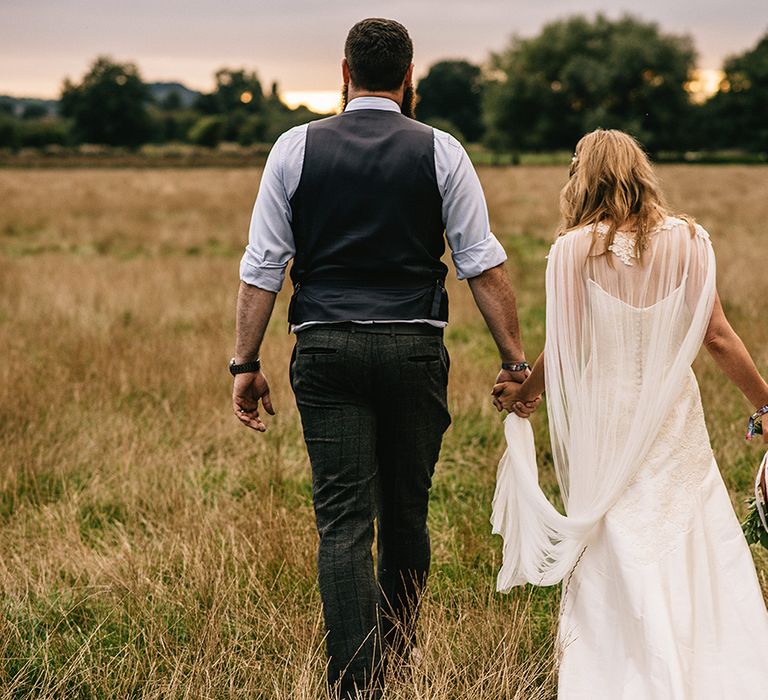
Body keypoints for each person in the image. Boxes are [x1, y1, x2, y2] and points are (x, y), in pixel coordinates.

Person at [230, 18, 533, 699]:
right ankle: (398, 661)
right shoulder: (442, 151)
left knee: (342, 523)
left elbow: (263, 267)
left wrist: (243, 362)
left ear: (344, 73)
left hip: (327, 350)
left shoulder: (293, 148)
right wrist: (515, 361)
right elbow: (481, 264)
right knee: (406, 514)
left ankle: (354, 685)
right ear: (409, 77)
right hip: (413, 349)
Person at [492, 129, 768, 699]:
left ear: (584, 177)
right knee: (687, 521)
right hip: (673, 410)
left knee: (619, 527)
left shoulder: (573, 249)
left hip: (610, 410)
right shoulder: (692, 239)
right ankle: (708, 654)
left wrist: (525, 392)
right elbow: (717, 336)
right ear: (640, 171)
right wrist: (764, 402)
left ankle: (625, 658)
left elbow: (566, 342)